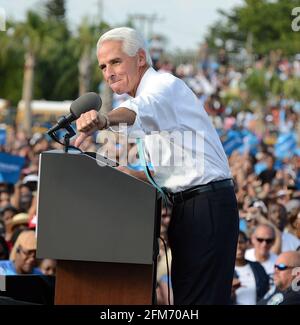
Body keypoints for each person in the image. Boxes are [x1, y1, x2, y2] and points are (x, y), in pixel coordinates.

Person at [74, 27, 239, 304]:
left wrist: (103, 120)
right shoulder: (148, 97)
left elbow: (138, 111)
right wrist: (129, 175)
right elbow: (176, 169)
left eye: (115, 62)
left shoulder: (163, 86)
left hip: (205, 208)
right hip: (191, 209)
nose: (108, 72)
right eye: (103, 66)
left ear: (140, 58)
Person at [232, 231, 269, 305]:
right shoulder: (223, 272)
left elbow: (266, 293)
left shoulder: (258, 267)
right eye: (234, 242)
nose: (238, 246)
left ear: (247, 243)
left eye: (241, 242)